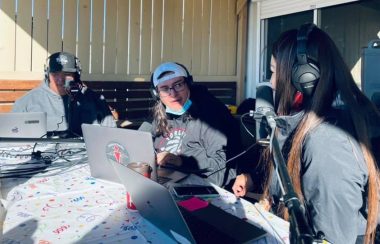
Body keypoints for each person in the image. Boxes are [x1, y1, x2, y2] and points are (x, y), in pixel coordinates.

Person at [232, 23, 380, 243]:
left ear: (305, 78)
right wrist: (258, 180)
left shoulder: (329, 142)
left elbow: (333, 238)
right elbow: (304, 176)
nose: (271, 83)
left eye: (274, 72)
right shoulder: (312, 123)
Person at [149, 62, 240, 187]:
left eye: (178, 84)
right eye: (165, 88)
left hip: (202, 187)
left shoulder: (211, 116)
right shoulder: (162, 114)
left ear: (189, 84)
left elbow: (221, 169)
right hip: (165, 180)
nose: (173, 93)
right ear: (156, 94)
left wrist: (180, 161)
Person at [12, 51, 116, 137]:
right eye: (55, 74)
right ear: (47, 75)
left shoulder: (95, 100)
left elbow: (113, 136)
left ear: (76, 76)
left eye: (67, 74)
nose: (60, 80)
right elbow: (11, 139)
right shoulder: (26, 103)